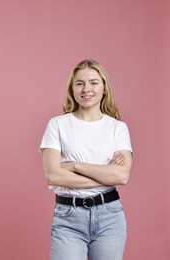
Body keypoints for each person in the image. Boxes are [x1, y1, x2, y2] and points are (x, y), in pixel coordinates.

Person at [39, 59, 133, 260]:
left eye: (93, 82)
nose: (86, 89)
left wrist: (74, 165)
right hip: (68, 217)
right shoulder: (57, 125)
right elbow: (53, 175)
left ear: (104, 88)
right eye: (79, 83)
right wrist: (106, 175)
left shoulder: (118, 128)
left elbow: (122, 175)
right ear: (72, 89)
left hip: (110, 217)